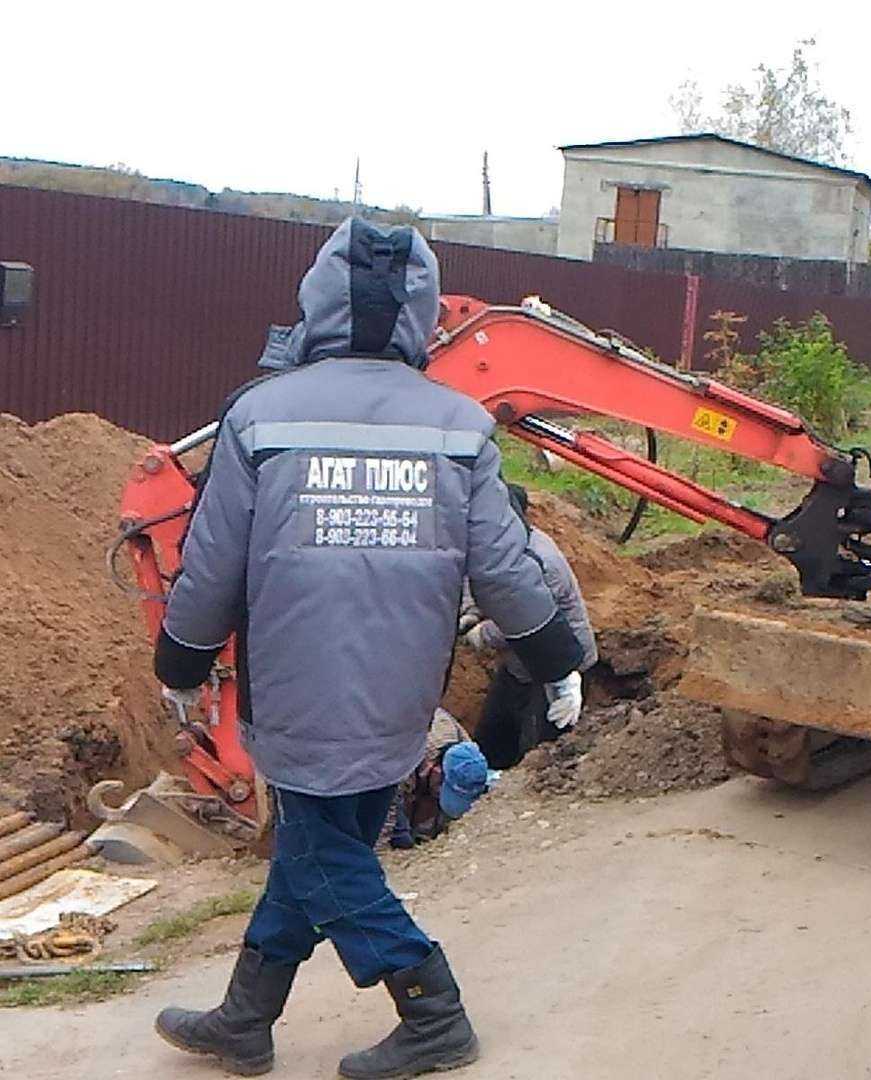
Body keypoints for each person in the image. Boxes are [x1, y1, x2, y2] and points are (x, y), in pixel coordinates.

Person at [150, 218, 585, 1079]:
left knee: (319, 852)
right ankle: (245, 1018)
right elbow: (505, 566)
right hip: (400, 699)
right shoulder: (460, 427)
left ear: (314, 306)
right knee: (319, 849)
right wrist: (557, 655)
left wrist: (181, 665)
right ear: (422, 314)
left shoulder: (260, 417)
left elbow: (210, 567)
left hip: (296, 695)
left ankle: (433, 1011)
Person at [461, 483, 598, 768]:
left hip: (559, 667)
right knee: (493, 736)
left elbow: (523, 620)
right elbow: (479, 581)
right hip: (520, 665)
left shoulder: (539, 562)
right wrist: (470, 613)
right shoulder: (502, 547)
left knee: (539, 751)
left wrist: (480, 634)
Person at [382, 708, 491, 849]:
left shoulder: (467, 753)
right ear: (435, 770)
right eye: (442, 788)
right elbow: (384, 818)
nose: (440, 793)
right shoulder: (401, 764)